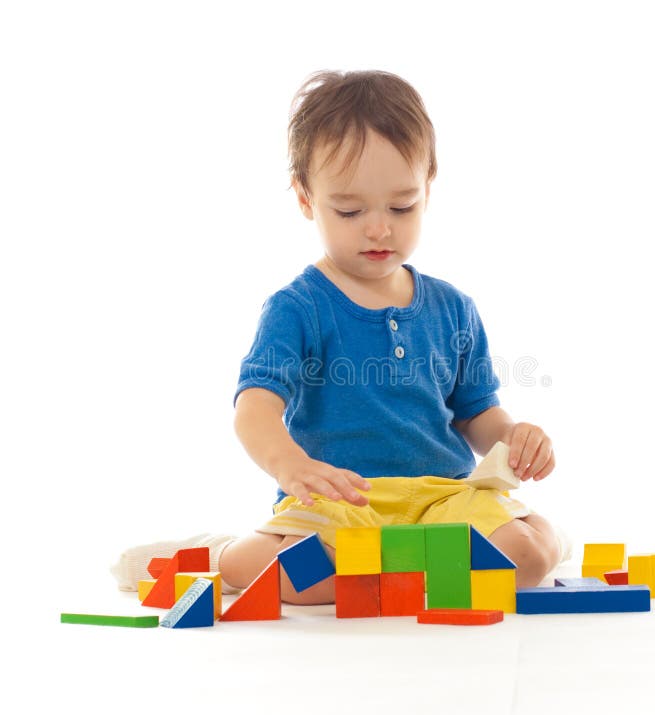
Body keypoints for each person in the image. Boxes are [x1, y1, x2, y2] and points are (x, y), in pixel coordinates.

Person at [111, 69, 571, 604]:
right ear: (307, 198)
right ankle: (220, 555)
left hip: (440, 501)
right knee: (293, 578)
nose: (379, 228)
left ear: (428, 187)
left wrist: (514, 438)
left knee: (527, 560)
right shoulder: (298, 308)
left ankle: (498, 547)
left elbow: (475, 414)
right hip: (341, 503)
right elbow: (254, 408)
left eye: (402, 206)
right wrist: (292, 465)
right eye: (350, 210)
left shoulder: (453, 309)